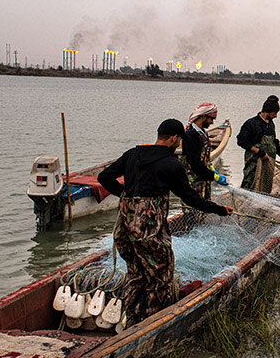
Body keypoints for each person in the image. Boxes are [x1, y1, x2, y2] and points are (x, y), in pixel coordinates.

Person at [98, 119, 233, 325]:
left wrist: (126, 195)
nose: (179, 145)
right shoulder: (172, 165)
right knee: (161, 275)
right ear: (173, 138)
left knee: (135, 273)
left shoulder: (132, 154)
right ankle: (155, 323)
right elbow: (191, 198)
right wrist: (219, 209)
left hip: (123, 230)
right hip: (149, 233)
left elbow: (104, 177)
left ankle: (131, 318)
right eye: (179, 141)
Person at [237, 95, 280, 193]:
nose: (276, 116)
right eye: (275, 113)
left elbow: (274, 143)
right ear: (268, 110)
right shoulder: (251, 123)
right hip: (254, 164)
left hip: (268, 164)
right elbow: (241, 141)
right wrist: (259, 152)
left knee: (266, 188)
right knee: (249, 184)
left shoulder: (271, 124)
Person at [180, 102, 228, 203]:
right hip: (192, 183)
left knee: (203, 210)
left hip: (203, 182)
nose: (212, 123)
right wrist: (213, 176)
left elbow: (204, 159)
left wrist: (212, 169)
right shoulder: (191, 135)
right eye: (211, 119)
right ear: (203, 117)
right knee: (193, 212)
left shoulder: (203, 133)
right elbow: (195, 163)